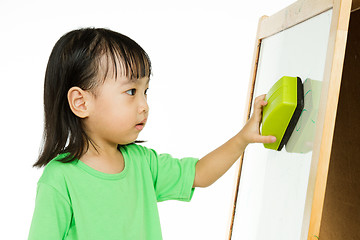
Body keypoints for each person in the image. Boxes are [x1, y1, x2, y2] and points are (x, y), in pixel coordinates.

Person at [28, 27, 276, 240]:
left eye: (145, 90)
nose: (144, 105)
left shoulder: (142, 162)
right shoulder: (59, 179)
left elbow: (200, 173)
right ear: (81, 103)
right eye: (131, 92)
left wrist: (243, 138)